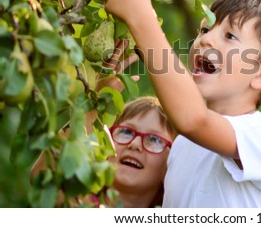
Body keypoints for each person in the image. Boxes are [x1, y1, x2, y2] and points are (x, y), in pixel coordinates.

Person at [97, 0, 261, 207]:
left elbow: (194, 119)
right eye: (205, 29)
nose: (205, 39)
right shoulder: (183, 144)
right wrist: (98, 100)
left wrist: (141, 17)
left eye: (230, 36)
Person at [31, 40, 175, 208]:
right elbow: (42, 177)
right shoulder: (79, 200)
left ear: (172, 162)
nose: (135, 144)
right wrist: (94, 105)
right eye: (126, 132)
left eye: (154, 139)